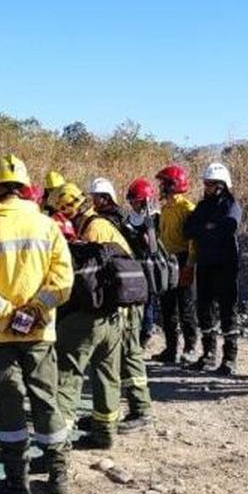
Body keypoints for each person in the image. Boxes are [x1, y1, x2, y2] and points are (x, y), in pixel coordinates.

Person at [0, 155, 73, 494]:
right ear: (25, 187)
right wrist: (35, 309)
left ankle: (17, 484)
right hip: (39, 334)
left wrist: (8, 313)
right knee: (46, 399)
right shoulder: (47, 226)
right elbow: (63, 280)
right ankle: (58, 478)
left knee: (8, 404)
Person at [86, 178, 154, 430]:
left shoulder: (100, 225)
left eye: (96, 197)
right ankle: (114, 413)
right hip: (127, 289)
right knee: (119, 353)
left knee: (129, 352)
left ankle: (141, 410)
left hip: (125, 294)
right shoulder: (116, 221)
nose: (93, 202)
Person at [185, 163, 242, 374]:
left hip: (226, 264)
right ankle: (208, 354)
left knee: (228, 310)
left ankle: (230, 358)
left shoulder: (231, 205)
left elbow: (229, 227)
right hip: (205, 263)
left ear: (221, 185)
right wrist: (209, 227)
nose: (206, 187)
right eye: (206, 183)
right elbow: (188, 230)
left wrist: (206, 228)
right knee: (204, 310)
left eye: (210, 184)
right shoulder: (202, 206)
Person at [154, 165, 199, 364]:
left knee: (185, 306)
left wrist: (189, 265)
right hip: (166, 261)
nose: (160, 187)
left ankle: (190, 348)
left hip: (182, 260)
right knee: (167, 307)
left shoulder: (188, 209)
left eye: (163, 183)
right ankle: (171, 349)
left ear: (173, 185)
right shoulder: (165, 209)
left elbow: (193, 240)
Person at [125, 177, 163, 346]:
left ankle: (147, 330)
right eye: (132, 201)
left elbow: (154, 246)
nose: (133, 204)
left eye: (136, 201)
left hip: (151, 265)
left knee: (149, 299)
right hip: (134, 265)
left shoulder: (156, 218)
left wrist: (149, 230)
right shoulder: (128, 220)